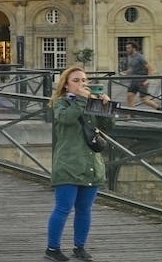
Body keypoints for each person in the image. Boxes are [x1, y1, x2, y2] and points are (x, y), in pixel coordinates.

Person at [44, 65, 111, 261]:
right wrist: (82, 99)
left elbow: (107, 127)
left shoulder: (90, 103)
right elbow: (66, 119)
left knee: (84, 209)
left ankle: (79, 247)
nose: (82, 84)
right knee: (63, 208)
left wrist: (105, 107)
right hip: (68, 163)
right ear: (65, 85)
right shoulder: (61, 104)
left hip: (91, 163)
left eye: (84, 80)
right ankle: (52, 249)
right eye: (76, 80)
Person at [123, 42, 160, 109]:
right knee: (129, 97)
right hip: (134, 80)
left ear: (134, 49)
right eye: (126, 48)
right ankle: (130, 117)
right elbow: (132, 68)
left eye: (128, 48)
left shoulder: (140, 57)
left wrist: (148, 80)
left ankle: (160, 109)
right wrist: (126, 72)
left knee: (144, 99)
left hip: (142, 81)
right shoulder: (131, 57)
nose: (127, 49)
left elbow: (151, 69)